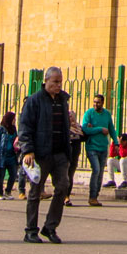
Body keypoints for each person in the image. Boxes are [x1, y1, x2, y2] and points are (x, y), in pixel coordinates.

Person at [17, 66, 78, 244]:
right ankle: (30, 230)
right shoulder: (35, 101)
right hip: (41, 154)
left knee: (62, 188)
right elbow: (25, 127)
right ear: (47, 81)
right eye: (55, 82)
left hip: (60, 154)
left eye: (60, 82)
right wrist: (28, 150)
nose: (58, 85)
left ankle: (50, 227)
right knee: (35, 192)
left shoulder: (62, 101)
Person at [80, 93, 116, 205]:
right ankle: (92, 196)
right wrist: (99, 129)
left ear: (102, 103)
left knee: (100, 172)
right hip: (92, 147)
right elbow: (85, 129)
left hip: (103, 147)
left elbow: (111, 128)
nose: (96, 104)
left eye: (98, 102)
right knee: (95, 170)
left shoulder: (106, 114)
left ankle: (95, 196)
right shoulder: (89, 113)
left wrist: (116, 141)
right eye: (94, 102)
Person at [0, 113, 21, 199]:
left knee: (13, 174)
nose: (15, 121)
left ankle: (8, 192)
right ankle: (0, 193)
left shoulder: (13, 130)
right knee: (1, 176)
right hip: (1, 156)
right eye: (13, 119)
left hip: (12, 156)